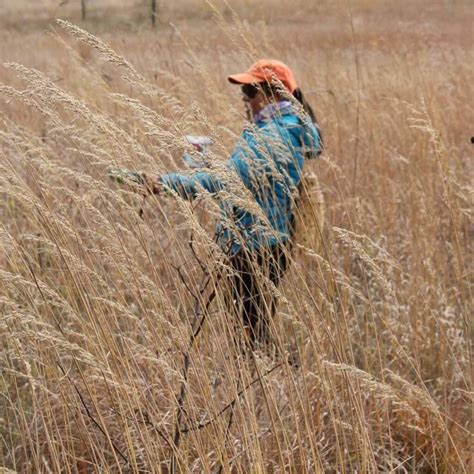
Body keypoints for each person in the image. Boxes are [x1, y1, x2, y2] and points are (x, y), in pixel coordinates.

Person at [142, 59, 322, 348]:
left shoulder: (275, 134)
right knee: (253, 329)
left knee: (251, 337)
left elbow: (228, 181)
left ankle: (272, 380)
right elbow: (241, 176)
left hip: (258, 245)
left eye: (250, 92)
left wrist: (164, 183)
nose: (244, 99)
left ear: (274, 94)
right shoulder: (278, 128)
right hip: (263, 240)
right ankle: (270, 377)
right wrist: (201, 162)